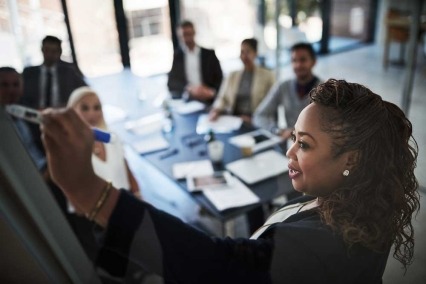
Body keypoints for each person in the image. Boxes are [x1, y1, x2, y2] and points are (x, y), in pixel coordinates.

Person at [41, 79, 419, 283]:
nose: (289, 153)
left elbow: (216, 267)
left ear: (350, 159)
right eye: (292, 139)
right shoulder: (366, 206)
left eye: (303, 144)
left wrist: (90, 191)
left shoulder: (327, 245)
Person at [66, 87, 141, 198]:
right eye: (85, 108)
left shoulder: (111, 137)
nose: (92, 114)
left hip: (126, 200)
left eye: (97, 108)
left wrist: (138, 194)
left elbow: (125, 167)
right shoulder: (69, 149)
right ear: (72, 111)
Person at [253, 42, 321, 140]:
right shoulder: (283, 86)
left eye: (303, 60)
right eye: (294, 60)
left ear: (314, 62)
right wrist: (277, 130)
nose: (298, 65)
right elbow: (259, 116)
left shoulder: (325, 91)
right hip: (290, 145)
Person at [209, 38, 275, 124]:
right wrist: (216, 110)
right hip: (234, 119)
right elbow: (222, 97)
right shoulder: (232, 75)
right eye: (242, 52)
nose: (244, 56)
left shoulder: (268, 75)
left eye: (248, 52)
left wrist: (254, 119)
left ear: (255, 53)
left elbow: (271, 104)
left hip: (255, 120)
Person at [20, 35, 87, 109]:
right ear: (42, 50)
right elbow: (21, 98)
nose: (49, 55)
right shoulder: (29, 73)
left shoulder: (69, 72)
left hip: (63, 113)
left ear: (59, 52)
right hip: (35, 114)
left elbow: (85, 92)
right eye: (47, 50)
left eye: (54, 51)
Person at [0, 67, 46, 171]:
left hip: (45, 167)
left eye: (16, 85)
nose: (11, 90)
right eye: (4, 85)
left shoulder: (29, 111)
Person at [167, 20, 223, 104]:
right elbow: (172, 83)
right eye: (184, 35)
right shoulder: (178, 56)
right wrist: (189, 89)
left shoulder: (209, 54)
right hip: (189, 99)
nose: (187, 38)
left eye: (189, 34)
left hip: (209, 98)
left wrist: (211, 91)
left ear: (194, 33)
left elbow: (220, 79)